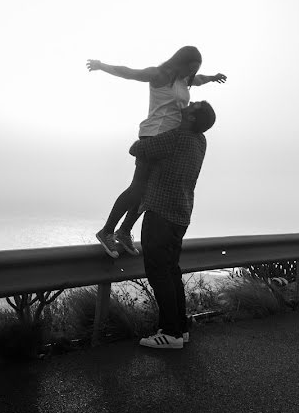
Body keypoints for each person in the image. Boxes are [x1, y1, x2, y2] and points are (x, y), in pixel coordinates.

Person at [86, 47, 225, 258]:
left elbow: (200, 79)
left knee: (150, 193)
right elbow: (129, 72)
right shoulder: (159, 75)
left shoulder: (185, 79)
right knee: (138, 187)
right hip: (152, 135)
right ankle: (106, 231)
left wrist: (213, 77)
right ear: (180, 62)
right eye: (190, 68)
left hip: (169, 141)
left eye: (195, 70)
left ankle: (124, 231)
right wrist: (101, 66)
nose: (192, 74)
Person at [131, 100, 216, 350]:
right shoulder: (200, 141)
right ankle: (180, 328)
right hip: (181, 214)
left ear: (191, 118)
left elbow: (136, 149)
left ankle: (171, 334)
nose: (188, 103)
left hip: (161, 213)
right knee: (171, 272)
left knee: (159, 273)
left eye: (194, 105)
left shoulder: (178, 137)